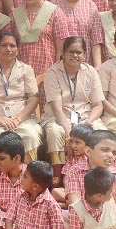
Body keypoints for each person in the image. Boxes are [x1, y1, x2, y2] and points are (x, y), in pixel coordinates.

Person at [0, 30, 43, 162]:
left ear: (18, 49)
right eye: (4, 45)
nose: (8, 49)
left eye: (12, 46)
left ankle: (26, 174)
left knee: (31, 135)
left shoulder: (26, 69)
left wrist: (17, 119)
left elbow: (33, 99)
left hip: (21, 119)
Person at [42, 36, 105, 169]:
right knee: (55, 132)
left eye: (79, 52)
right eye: (71, 52)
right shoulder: (53, 72)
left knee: (101, 132)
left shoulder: (91, 72)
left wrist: (88, 124)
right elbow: (56, 108)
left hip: (86, 117)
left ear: (84, 55)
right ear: (63, 53)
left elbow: (98, 105)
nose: (75, 55)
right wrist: (69, 132)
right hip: (59, 117)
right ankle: (58, 176)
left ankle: (96, 172)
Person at [0, 160, 69, 229]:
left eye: (25, 176)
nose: (21, 178)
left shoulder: (50, 203)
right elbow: (9, 218)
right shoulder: (19, 197)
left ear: (35, 186)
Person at [9, 0, 70, 78]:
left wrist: (56, 74)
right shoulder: (15, 14)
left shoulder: (54, 12)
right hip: (20, 75)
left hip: (48, 74)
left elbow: (61, 48)